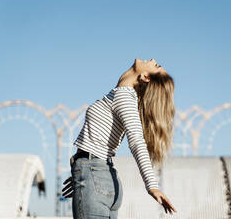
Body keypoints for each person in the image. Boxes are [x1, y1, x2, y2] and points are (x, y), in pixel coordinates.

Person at [62, 58, 177, 218]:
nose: (152, 60)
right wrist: (80, 173)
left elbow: (137, 140)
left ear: (145, 77)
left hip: (96, 176)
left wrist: (152, 186)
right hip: (100, 175)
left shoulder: (124, 97)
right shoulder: (123, 96)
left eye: (155, 65)